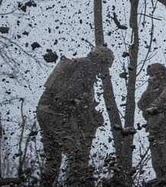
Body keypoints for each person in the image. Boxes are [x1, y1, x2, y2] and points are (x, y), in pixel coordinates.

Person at [36, 45, 113, 187]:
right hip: (57, 113)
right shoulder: (87, 66)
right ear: (101, 60)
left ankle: (46, 183)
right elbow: (72, 93)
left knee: (53, 158)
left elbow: (70, 94)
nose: (102, 71)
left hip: (45, 111)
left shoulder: (78, 63)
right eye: (104, 66)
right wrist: (87, 112)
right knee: (77, 154)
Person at [138, 63, 166, 179]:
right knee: (157, 163)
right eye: (151, 75)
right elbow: (141, 104)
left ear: (161, 73)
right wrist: (149, 89)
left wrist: (152, 107)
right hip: (154, 128)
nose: (153, 77)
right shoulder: (152, 88)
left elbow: (162, 100)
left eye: (154, 74)